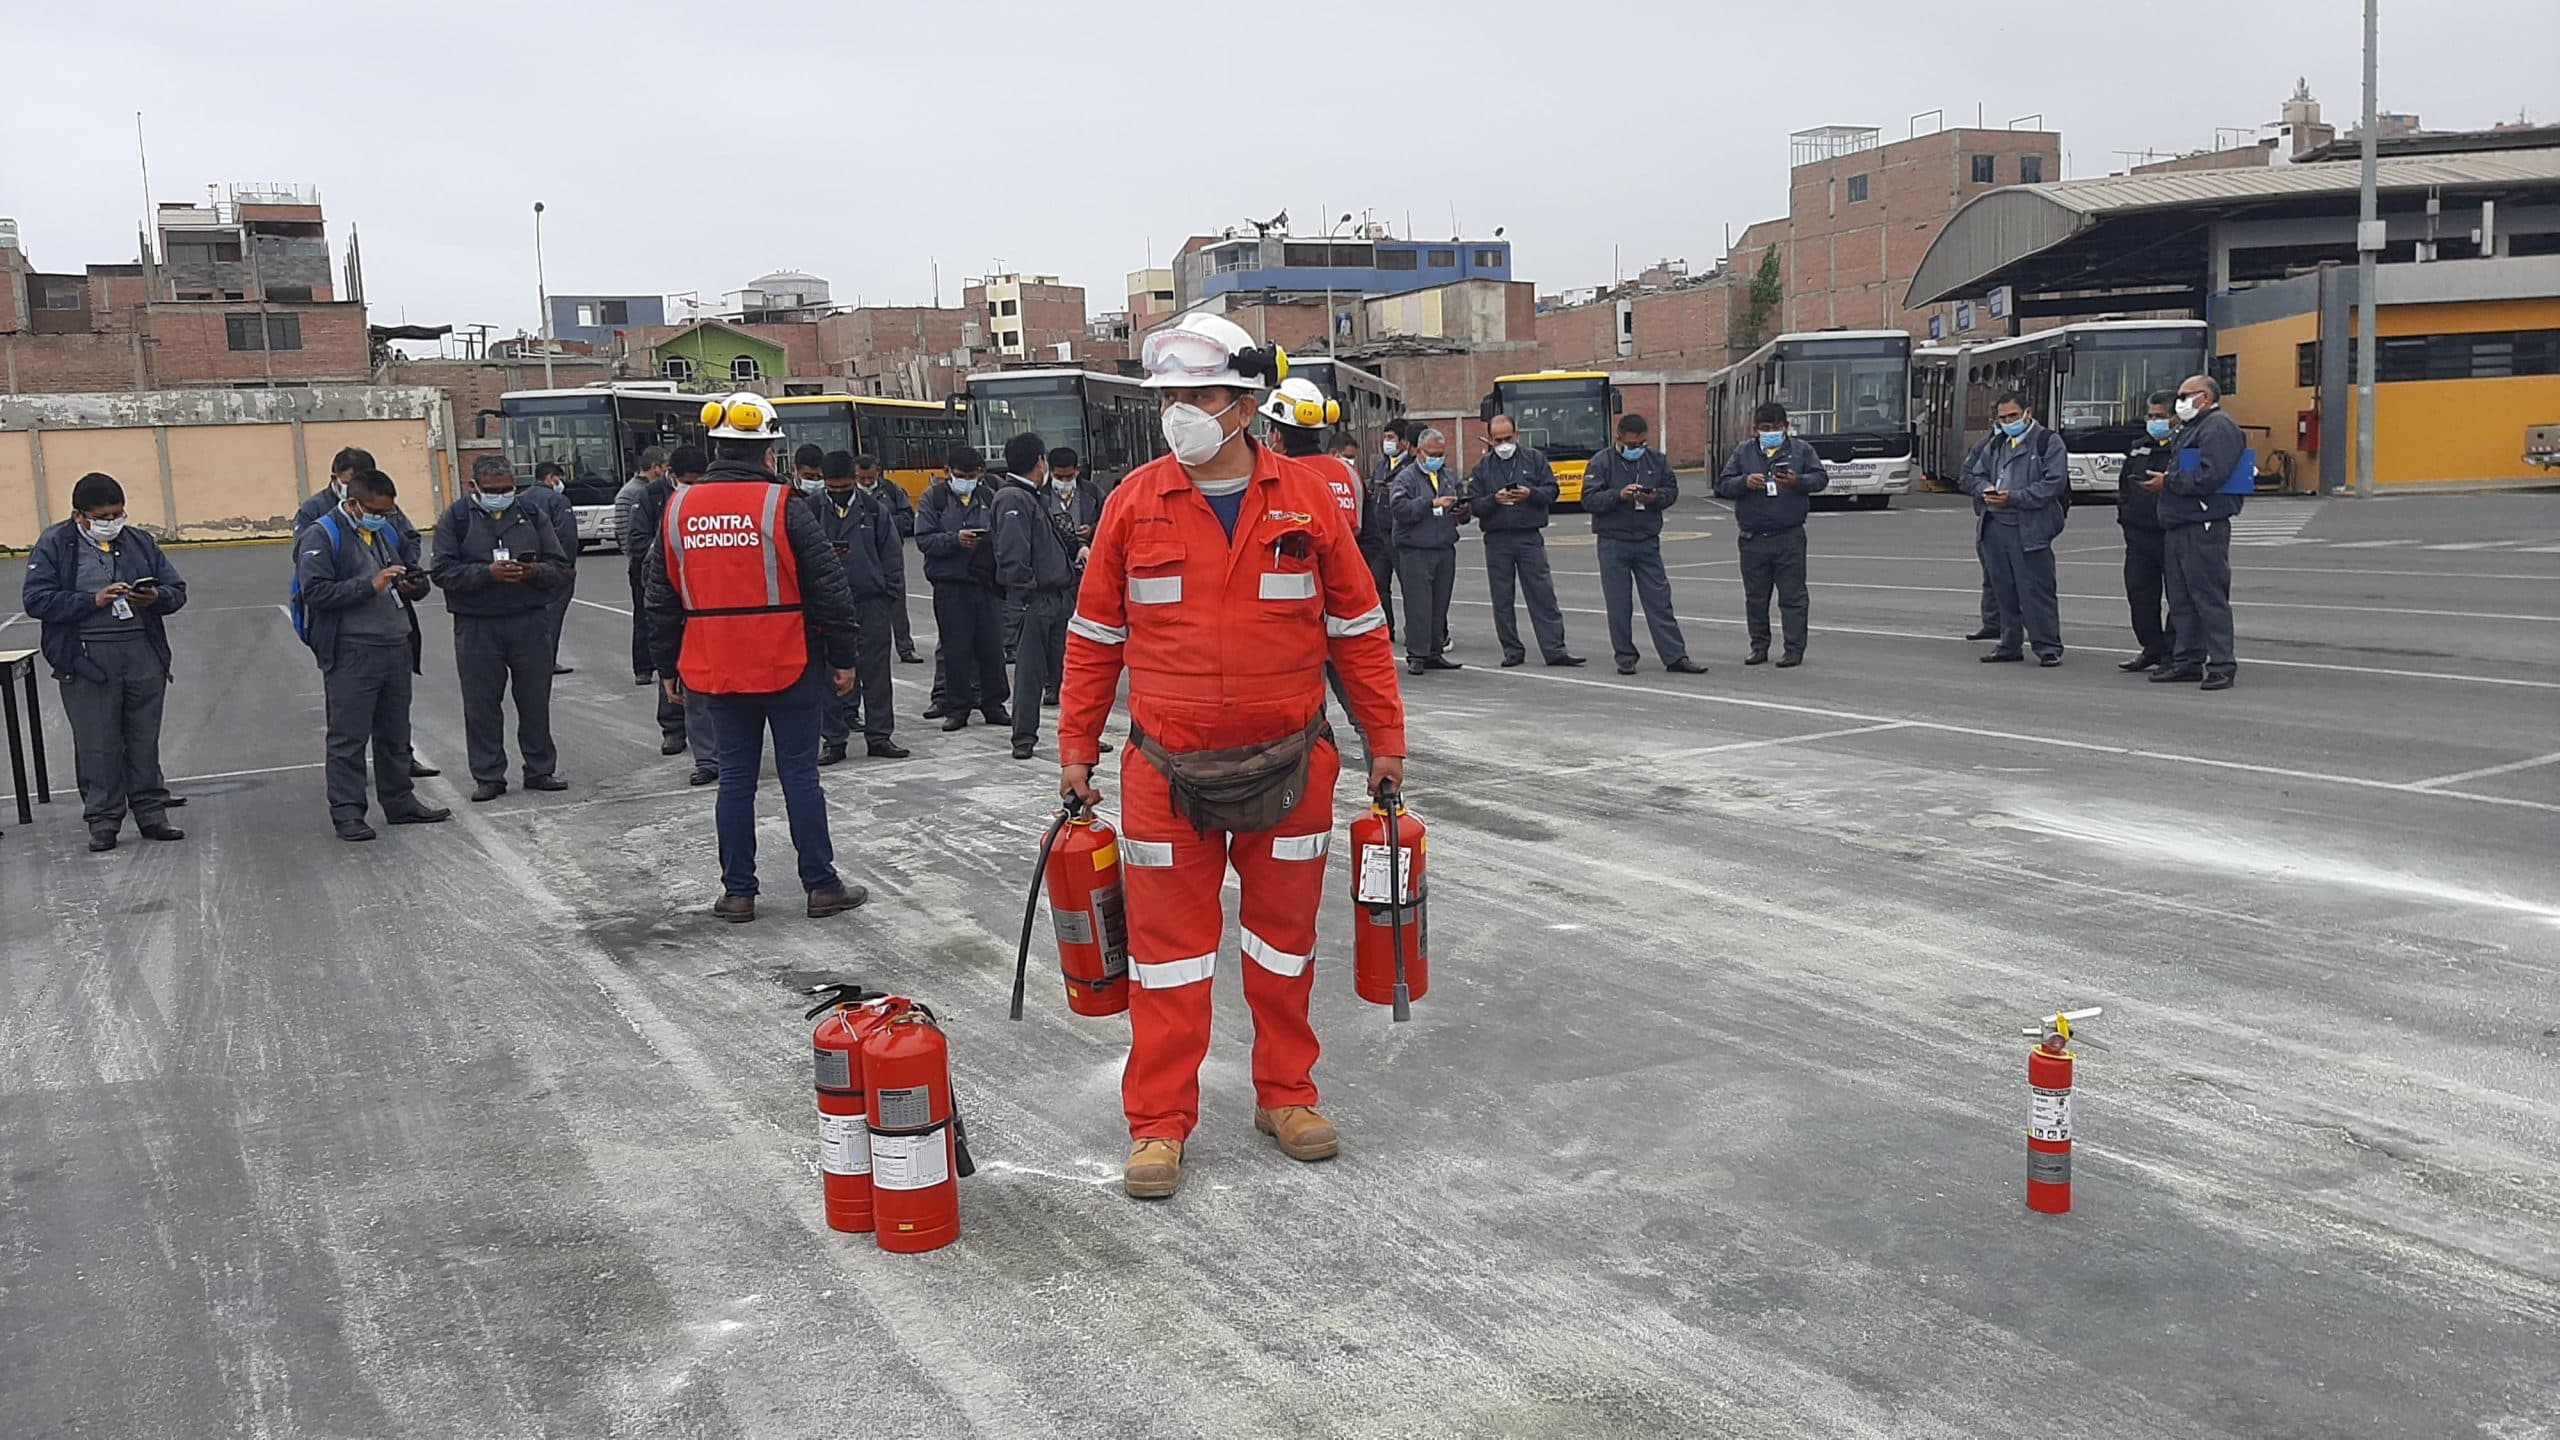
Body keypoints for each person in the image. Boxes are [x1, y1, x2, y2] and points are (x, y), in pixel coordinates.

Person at [1057, 311, 1406, 1200]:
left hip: (1292, 766)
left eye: (1200, 396)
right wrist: (1075, 749)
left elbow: (1360, 632)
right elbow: (1094, 638)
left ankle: (1286, 1095)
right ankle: (1159, 1124)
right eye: (1170, 397)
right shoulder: (1134, 504)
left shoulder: (1308, 504)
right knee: (1167, 959)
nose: (1182, 413)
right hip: (1163, 773)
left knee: (1282, 948)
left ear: (1247, 404)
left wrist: (1385, 742)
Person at [645, 391, 868, 923]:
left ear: (715, 447)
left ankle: (738, 893)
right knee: (799, 777)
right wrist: (843, 657)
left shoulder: (677, 508)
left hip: (715, 667)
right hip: (786, 661)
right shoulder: (782, 504)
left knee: (736, 780)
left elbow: (659, 596)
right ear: (769, 452)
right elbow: (829, 587)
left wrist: (666, 667)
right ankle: (821, 886)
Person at [20, 472, 189, 851]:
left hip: (142, 653)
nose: (112, 522)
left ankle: (151, 814)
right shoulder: (54, 545)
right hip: (87, 657)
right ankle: (103, 820)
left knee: (143, 739)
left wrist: (155, 597)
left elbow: (176, 590)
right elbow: (37, 600)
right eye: (104, 515)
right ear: (80, 516)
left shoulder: (139, 541)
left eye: (118, 513)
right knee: (98, 743)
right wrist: (91, 600)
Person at [294, 469, 452, 840]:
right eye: (374, 510)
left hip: (395, 646)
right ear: (351, 503)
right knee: (348, 738)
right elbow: (315, 592)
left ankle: (400, 802)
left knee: (395, 734)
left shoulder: (383, 532)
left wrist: (414, 585)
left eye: (387, 512)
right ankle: (348, 813)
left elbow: (407, 578)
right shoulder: (321, 535)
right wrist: (370, 585)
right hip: (352, 651)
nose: (382, 517)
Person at [432, 455, 574, 802]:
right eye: (493, 490)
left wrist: (533, 572)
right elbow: (441, 572)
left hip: (528, 619)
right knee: (481, 704)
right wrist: (485, 574)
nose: (501, 495)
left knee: (534, 699)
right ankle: (488, 775)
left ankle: (540, 768)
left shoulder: (531, 515)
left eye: (507, 489)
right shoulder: (457, 519)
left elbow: (559, 566)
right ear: (474, 488)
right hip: (477, 623)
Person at [1582, 413, 1705, 676]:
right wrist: (1619, 495)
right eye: (1632, 444)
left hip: (1647, 540)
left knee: (1659, 600)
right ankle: (1625, 657)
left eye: (1642, 444)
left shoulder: (1656, 460)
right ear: (1618, 438)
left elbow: (1671, 491)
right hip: (1613, 542)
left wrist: (1655, 497)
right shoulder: (1601, 462)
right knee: (1619, 603)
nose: (1637, 448)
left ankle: (1675, 656)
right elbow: (1589, 499)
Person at [1714, 401, 1830, 667]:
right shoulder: (1743, 453)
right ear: (1755, 429)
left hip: (1789, 536)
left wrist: (1797, 481)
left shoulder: (1801, 450)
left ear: (1786, 427)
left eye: (1776, 428)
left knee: (1793, 597)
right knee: (1756, 598)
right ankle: (1758, 647)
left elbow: (1820, 479)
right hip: (1753, 538)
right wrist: (1744, 482)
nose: (1771, 433)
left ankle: (1793, 649)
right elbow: (1723, 484)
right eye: (1765, 428)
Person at [1959, 391, 2070, 667]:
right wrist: (1985, 490)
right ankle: (2009, 643)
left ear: (2027, 413)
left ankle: (2047, 646)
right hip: (1995, 525)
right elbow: (1971, 475)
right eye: (2003, 417)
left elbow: (2053, 484)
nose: (2009, 421)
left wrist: (2015, 497)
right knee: (2003, 588)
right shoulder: (1996, 444)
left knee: (2036, 589)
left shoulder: (2048, 442)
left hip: (2030, 528)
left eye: (2013, 416)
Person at [812, 449, 909, 762]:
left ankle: (880, 735)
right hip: (826, 605)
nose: (839, 494)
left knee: (877, 672)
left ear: (855, 480)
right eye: (833, 489)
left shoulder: (874, 510)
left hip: (871, 603)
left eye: (845, 488)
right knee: (829, 673)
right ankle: (834, 739)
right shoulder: (810, 509)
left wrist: (889, 596)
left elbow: (892, 557)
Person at [1464, 414, 1583, 668]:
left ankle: (1555, 650)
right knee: (1502, 598)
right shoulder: (1483, 468)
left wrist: (1530, 493)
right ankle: (1512, 650)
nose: (1504, 444)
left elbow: (1552, 491)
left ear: (1517, 436)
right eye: (1498, 440)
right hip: (1497, 539)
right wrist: (1494, 500)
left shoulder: (1534, 459)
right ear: (1490, 440)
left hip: (1529, 537)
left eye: (1508, 438)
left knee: (1542, 594)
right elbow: (1474, 505)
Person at [2154, 374, 2246, 691]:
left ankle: (2221, 664)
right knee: (2181, 599)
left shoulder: (2217, 427)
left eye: (2184, 395)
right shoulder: (2193, 427)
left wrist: (2168, 482)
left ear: (2204, 398)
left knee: (2208, 597)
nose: (2179, 401)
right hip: (2180, 522)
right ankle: (2188, 660)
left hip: (2203, 523)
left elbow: (2211, 475)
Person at [992, 432, 1081, 760]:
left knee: (1068, 673)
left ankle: (1077, 734)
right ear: (1039, 461)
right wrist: (1026, 590)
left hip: (1056, 596)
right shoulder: (1013, 499)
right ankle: (1024, 737)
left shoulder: (1032, 496)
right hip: (1034, 600)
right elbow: (1013, 554)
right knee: (1030, 673)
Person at [914, 445, 1011, 733]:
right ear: (948, 473)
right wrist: (955, 540)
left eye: (972, 475)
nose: (966, 479)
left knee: (992, 646)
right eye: (961, 475)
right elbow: (924, 540)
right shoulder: (935, 499)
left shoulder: (988, 497)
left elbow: (1004, 534)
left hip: (985, 584)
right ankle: (958, 707)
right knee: (956, 649)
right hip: (951, 585)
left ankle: (994, 703)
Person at [1388, 427, 1469, 674]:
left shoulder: (1449, 477)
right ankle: (1417, 654)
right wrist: (1430, 503)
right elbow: (1400, 509)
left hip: (1444, 548)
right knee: (1418, 604)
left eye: (1440, 454)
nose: (1436, 458)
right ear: (1419, 452)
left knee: (1439, 603)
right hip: (1415, 549)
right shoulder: (1406, 477)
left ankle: (1435, 650)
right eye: (1432, 453)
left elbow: (1465, 508)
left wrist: (1462, 511)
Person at [2115, 393, 2177, 672]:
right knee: (2139, 595)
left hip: (2171, 533)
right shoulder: (2139, 447)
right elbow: (2125, 486)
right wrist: (2126, 518)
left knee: (2179, 597)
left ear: (2175, 418)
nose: (2154, 421)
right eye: (2150, 416)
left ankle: (2174, 653)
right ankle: (2151, 646)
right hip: (2138, 536)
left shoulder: (2183, 448)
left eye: (2160, 416)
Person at [853, 455, 923, 665]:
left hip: (889, 556)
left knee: (897, 603)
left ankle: (905, 647)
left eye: (870, 478)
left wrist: (882, 521)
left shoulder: (892, 491)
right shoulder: (849, 494)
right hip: (861, 559)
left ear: (878, 471)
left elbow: (909, 519)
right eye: (862, 478)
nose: (866, 482)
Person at [615, 445, 672, 685]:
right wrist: (637, 558)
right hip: (642, 564)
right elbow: (626, 532)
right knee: (644, 615)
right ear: (656, 467)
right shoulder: (633, 493)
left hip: (650, 560)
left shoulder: (650, 491)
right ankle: (644, 666)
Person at [519, 460, 580, 676]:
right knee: (552, 616)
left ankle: (526, 658)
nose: (560, 483)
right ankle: (546, 660)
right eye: (559, 479)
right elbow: (567, 535)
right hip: (553, 568)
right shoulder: (558, 500)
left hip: (527, 567)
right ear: (551, 478)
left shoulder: (521, 499)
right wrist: (568, 565)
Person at [1360, 417, 1411, 644]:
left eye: (1391, 438)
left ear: (1403, 442)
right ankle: (1386, 629)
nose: (1387, 443)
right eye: (1386, 438)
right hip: (1380, 534)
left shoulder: (1410, 466)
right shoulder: (1382, 465)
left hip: (1401, 535)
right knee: (1379, 586)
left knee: (1410, 587)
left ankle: (1416, 633)